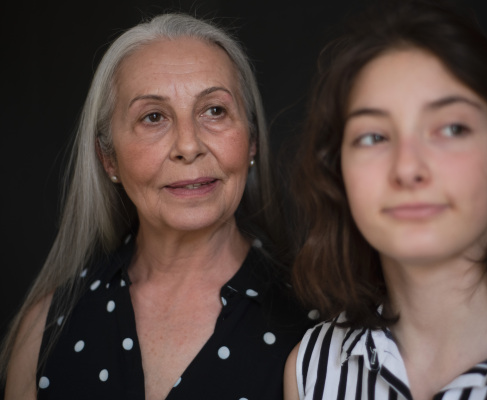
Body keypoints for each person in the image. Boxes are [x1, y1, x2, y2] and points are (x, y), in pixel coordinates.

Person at [283, 1, 487, 399]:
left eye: (451, 129)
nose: (408, 168)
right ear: (340, 176)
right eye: (373, 137)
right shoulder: (310, 371)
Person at [1, 13, 313, 400]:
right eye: (153, 117)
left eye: (214, 110)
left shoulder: (318, 326)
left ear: (251, 141)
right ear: (108, 158)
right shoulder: (45, 329)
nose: (188, 145)